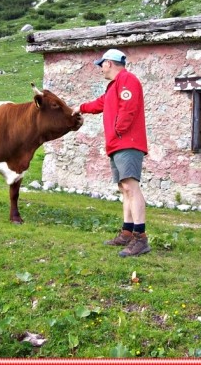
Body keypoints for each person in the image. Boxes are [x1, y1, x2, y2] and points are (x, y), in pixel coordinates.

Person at [71, 49, 150, 257]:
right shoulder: (114, 86)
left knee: (131, 187)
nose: (100, 68)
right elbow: (100, 104)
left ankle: (140, 238)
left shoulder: (127, 80)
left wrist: (117, 130)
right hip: (117, 144)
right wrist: (79, 108)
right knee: (124, 188)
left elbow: (129, 108)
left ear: (109, 63)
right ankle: (126, 233)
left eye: (101, 64)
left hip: (127, 143)